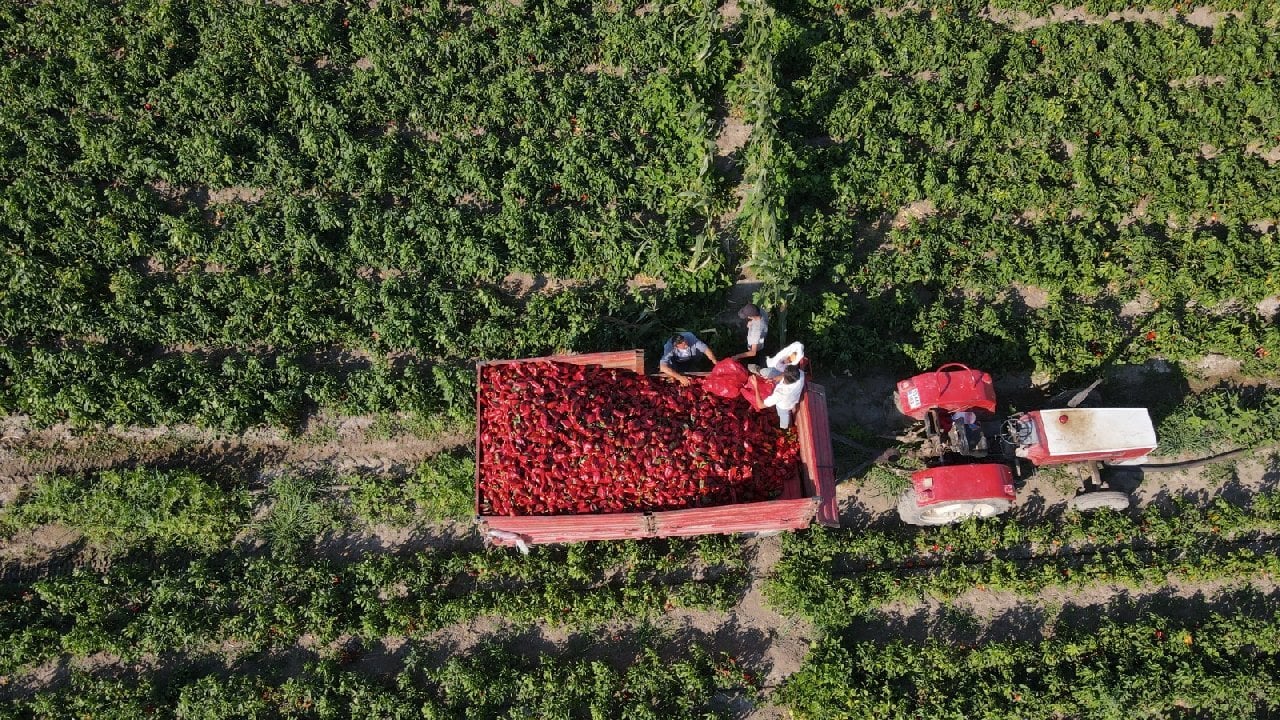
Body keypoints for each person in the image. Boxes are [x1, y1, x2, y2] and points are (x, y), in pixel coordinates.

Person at [762, 364, 805, 429]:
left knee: (783, 416)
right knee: (785, 415)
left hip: (783, 407)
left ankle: (784, 428)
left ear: (785, 375)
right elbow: (784, 375)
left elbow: (761, 405)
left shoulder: (780, 393)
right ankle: (786, 426)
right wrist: (774, 379)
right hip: (791, 401)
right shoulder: (800, 374)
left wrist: (755, 385)